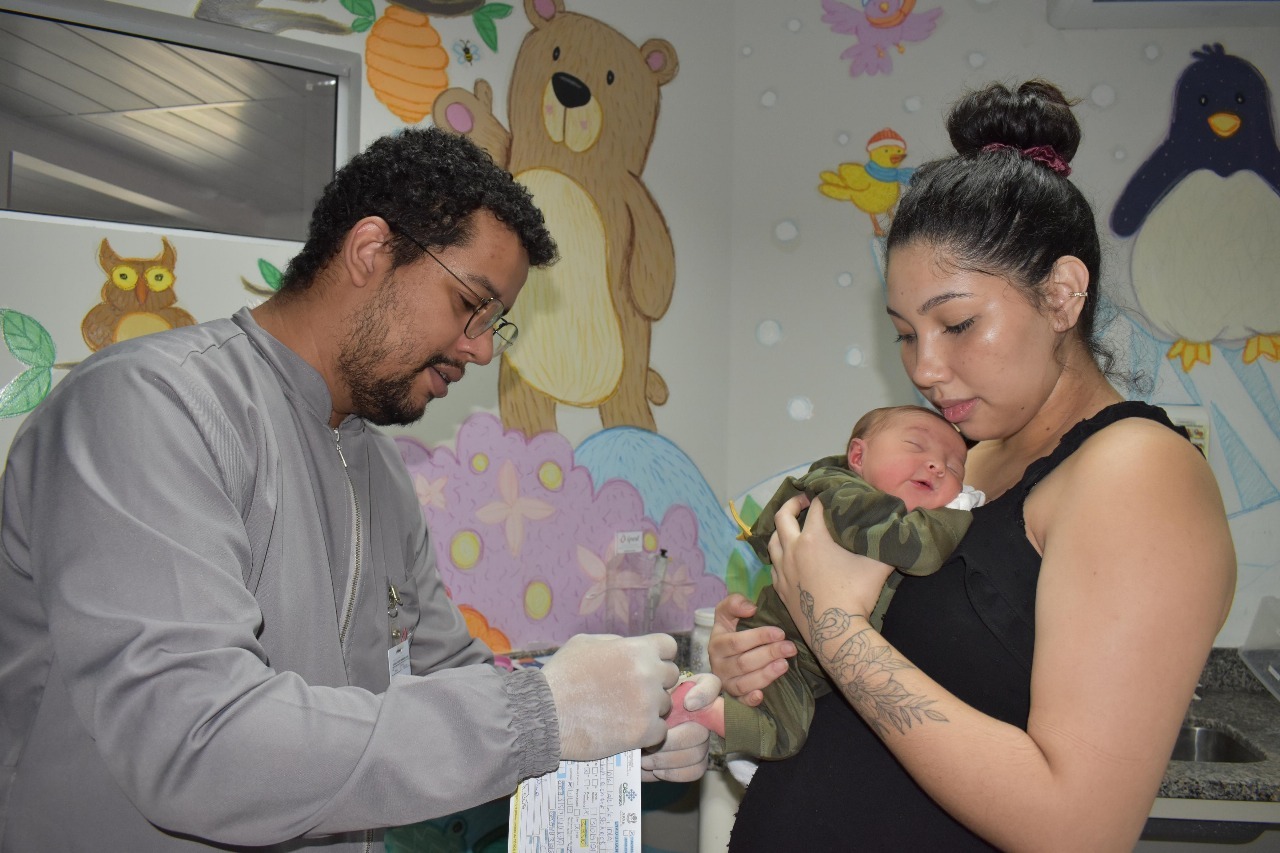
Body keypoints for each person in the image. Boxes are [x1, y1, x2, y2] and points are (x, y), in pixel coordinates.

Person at [0, 127, 718, 852]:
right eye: (470, 304)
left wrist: (612, 733)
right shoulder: (152, 407)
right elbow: (197, 743)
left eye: (494, 324)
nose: (479, 348)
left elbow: (439, 673)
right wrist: (541, 717)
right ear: (371, 251)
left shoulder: (378, 469)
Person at [709, 80, 1235, 851]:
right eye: (905, 334)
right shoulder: (962, 465)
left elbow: (1079, 829)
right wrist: (775, 655)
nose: (925, 369)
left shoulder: (1139, 474)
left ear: (1062, 295)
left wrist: (834, 627)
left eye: (956, 324)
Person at [716, 404, 980, 763]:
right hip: (783, 644)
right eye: (916, 446)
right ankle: (712, 721)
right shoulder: (843, 495)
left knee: (783, 733)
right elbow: (914, 547)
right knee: (777, 728)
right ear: (857, 456)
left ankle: (713, 721)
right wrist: (956, 515)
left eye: (954, 467)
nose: (937, 465)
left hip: (813, 664)